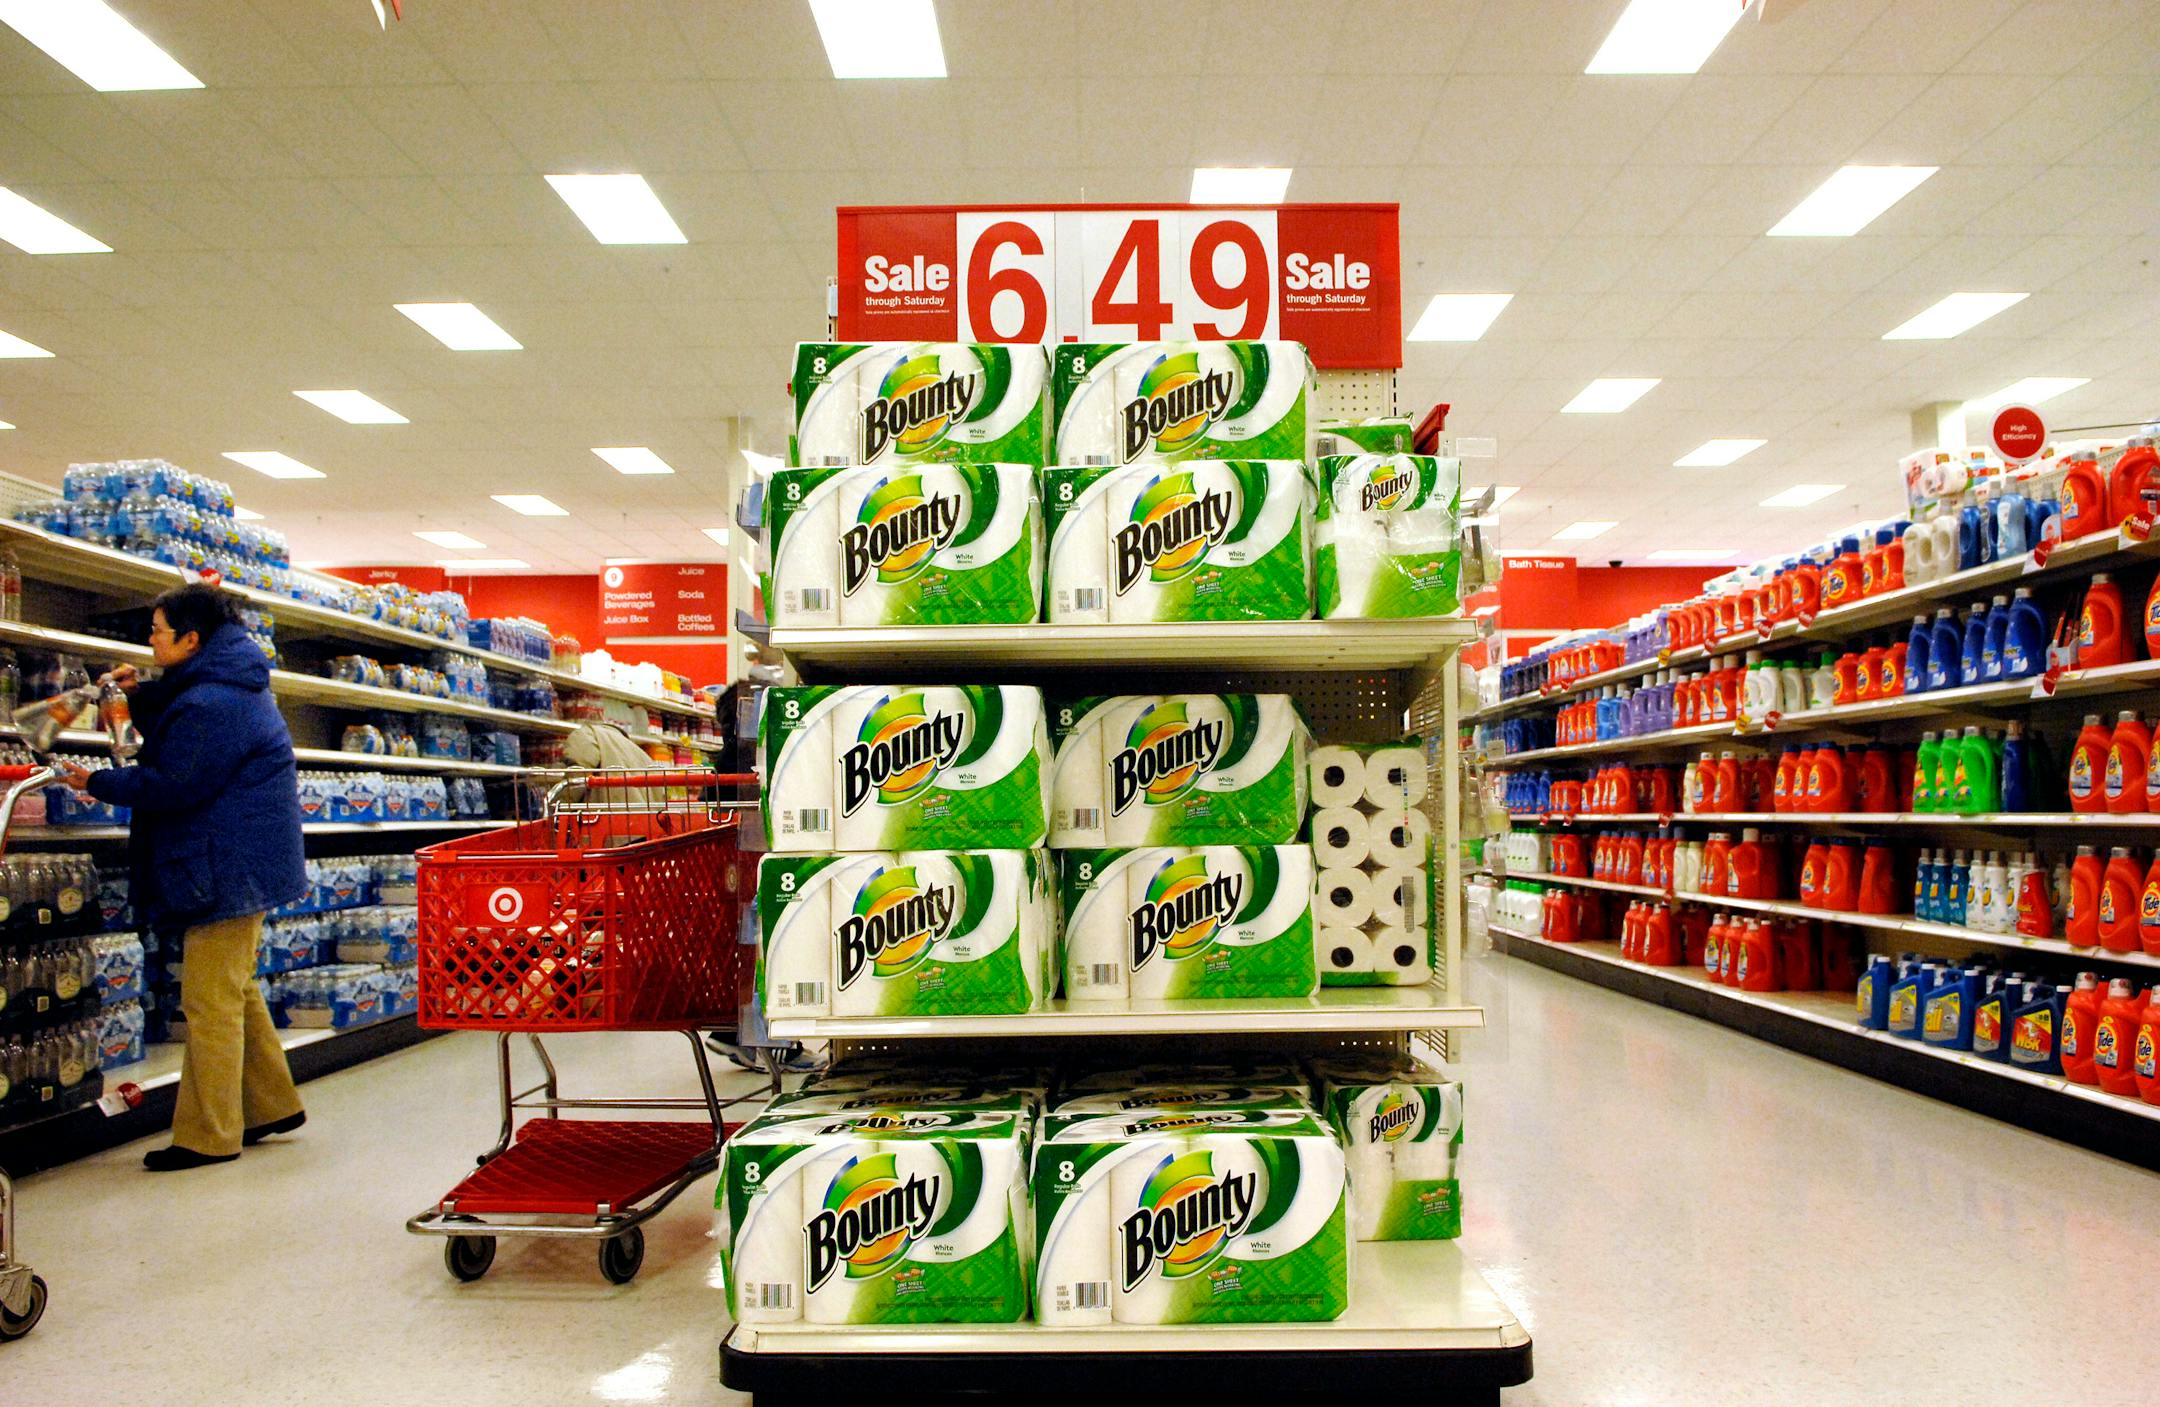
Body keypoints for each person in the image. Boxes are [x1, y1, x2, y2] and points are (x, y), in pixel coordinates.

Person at [57, 583, 308, 1171]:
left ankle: (208, 1136)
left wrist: (91, 782)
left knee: (208, 1001)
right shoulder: (218, 687)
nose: (149, 639)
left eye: (157, 631)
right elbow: (178, 719)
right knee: (234, 988)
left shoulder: (213, 703)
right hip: (241, 861)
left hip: (227, 867)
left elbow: (175, 783)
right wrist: (132, 694)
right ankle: (271, 1103)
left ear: (192, 640)